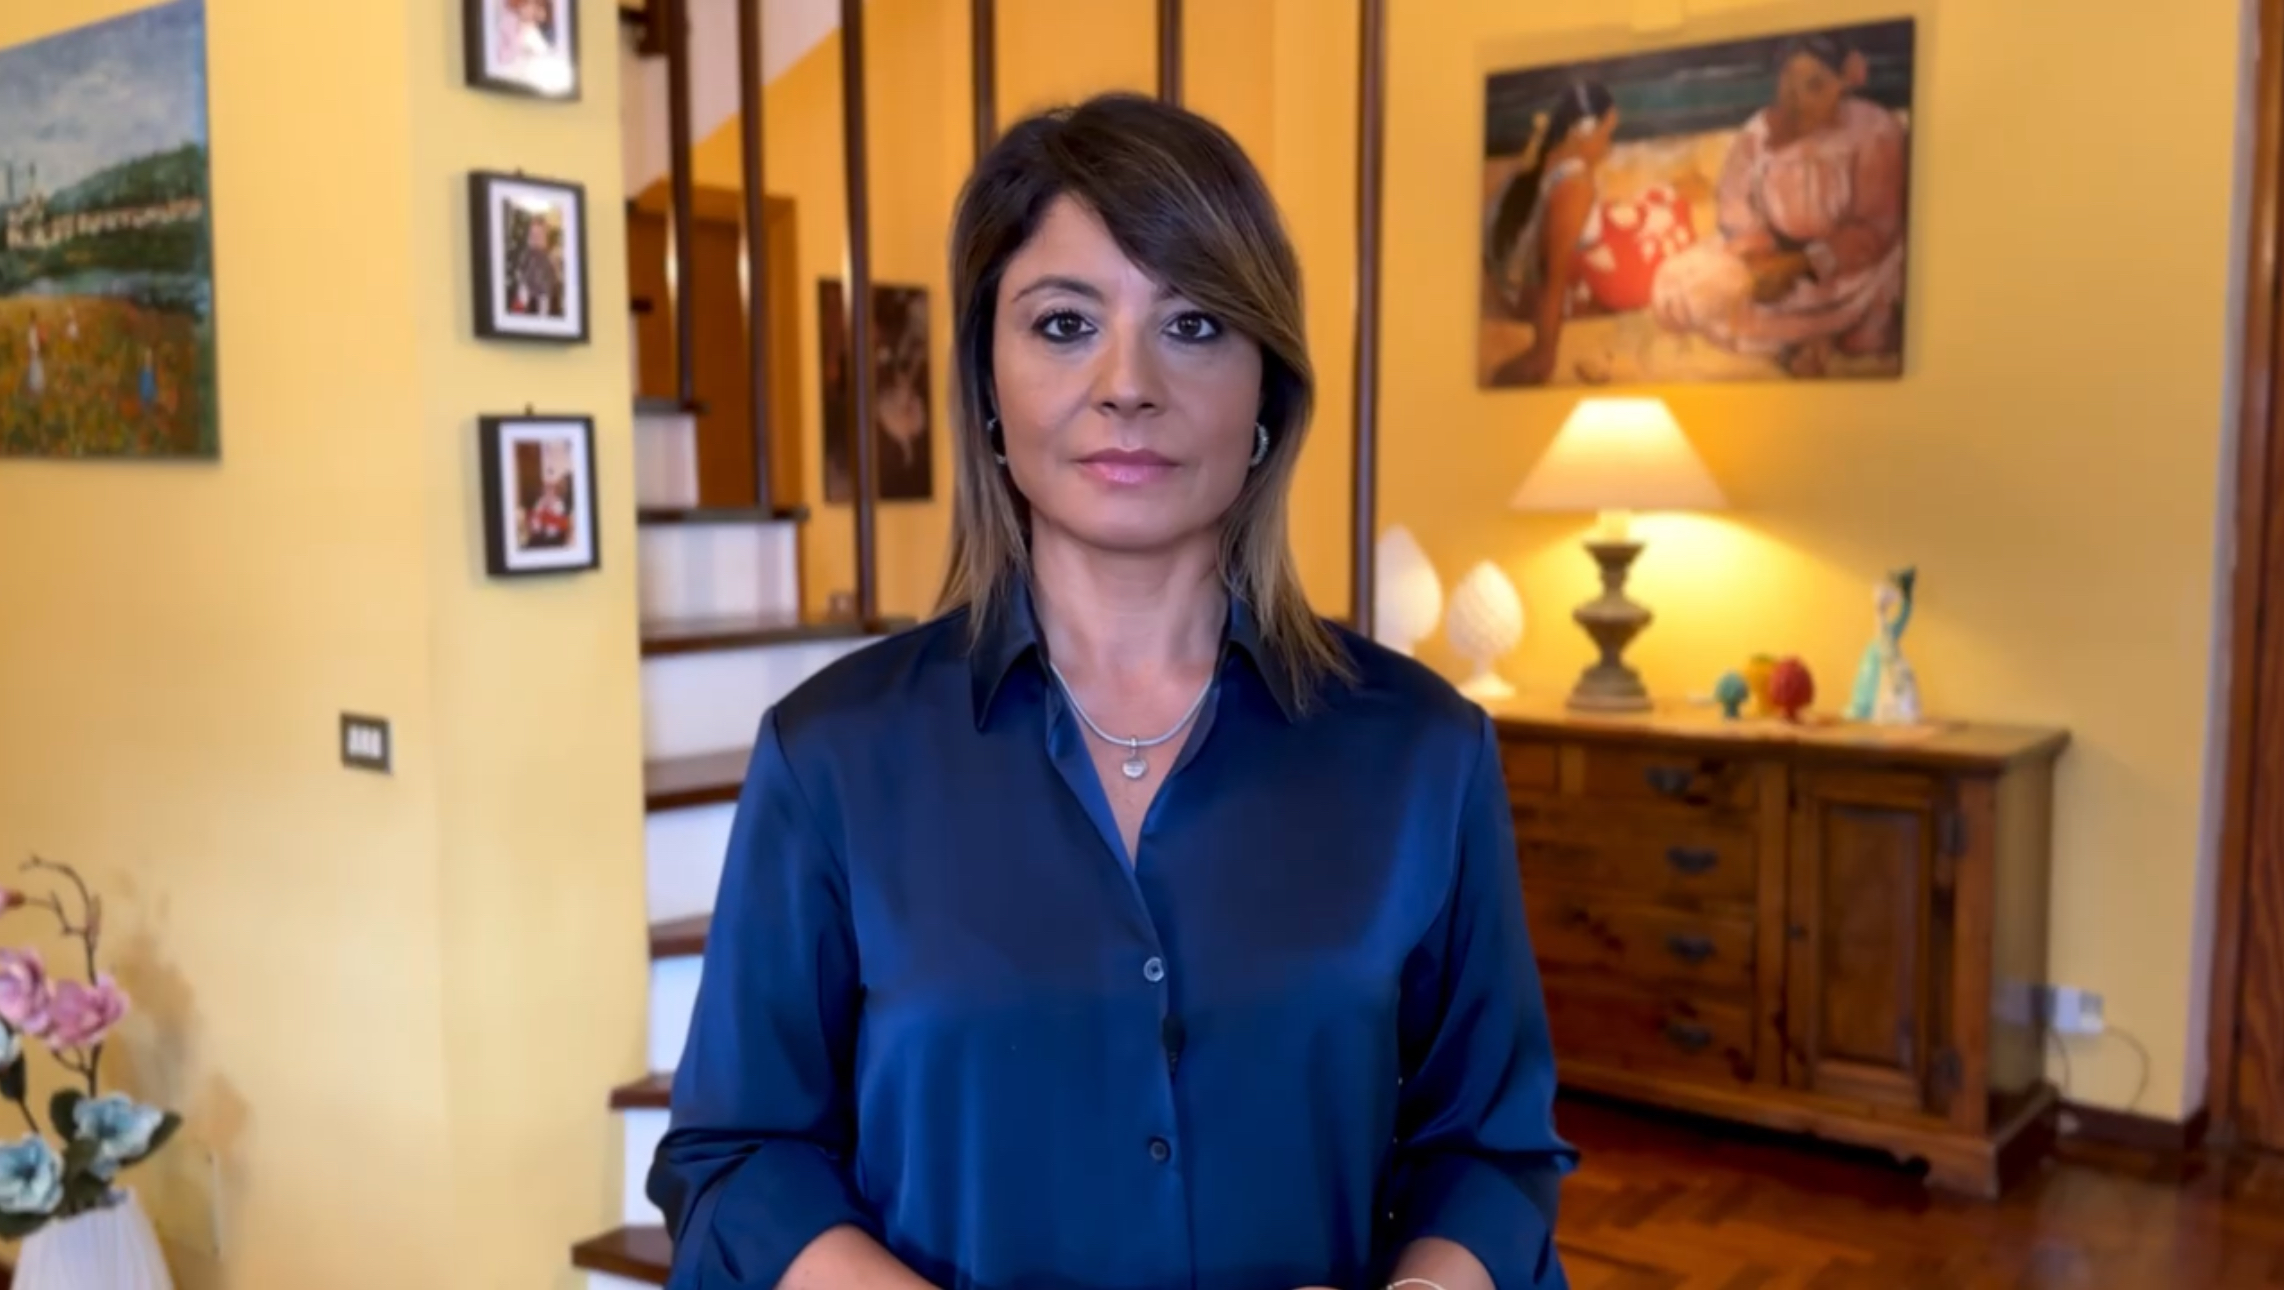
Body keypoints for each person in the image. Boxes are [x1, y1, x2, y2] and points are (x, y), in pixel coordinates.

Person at [649, 92, 1576, 1290]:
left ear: (1265, 390)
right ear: (987, 383)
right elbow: (740, 1155)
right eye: (1064, 323)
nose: (1126, 383)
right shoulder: (832, 755)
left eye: (1192, 325)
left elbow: (1490, 1155)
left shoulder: (1423, 755)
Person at [1650, 32, 1907, 376]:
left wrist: (1800, 264)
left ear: (1842, 83)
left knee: (1866, 320)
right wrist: (1759, 261)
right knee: (1678, 281)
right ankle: (1798, 339)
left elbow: (1875, 229)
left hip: (1848, 269)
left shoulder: (1874, 131)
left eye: (1814, 86)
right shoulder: (1757, 134)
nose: (1798, 100)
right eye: (1788, 84)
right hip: (1772, 259)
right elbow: (1736, 208)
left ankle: (1806, 339)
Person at [1482, 81, 1617, 386]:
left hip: (1512, 289)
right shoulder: (1575, 185)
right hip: (1532, 300)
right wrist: (1543, 352)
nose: (1609, 147)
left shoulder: (1540, 164)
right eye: (1606, 134)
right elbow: (1553, 275)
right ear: (1582, 132)